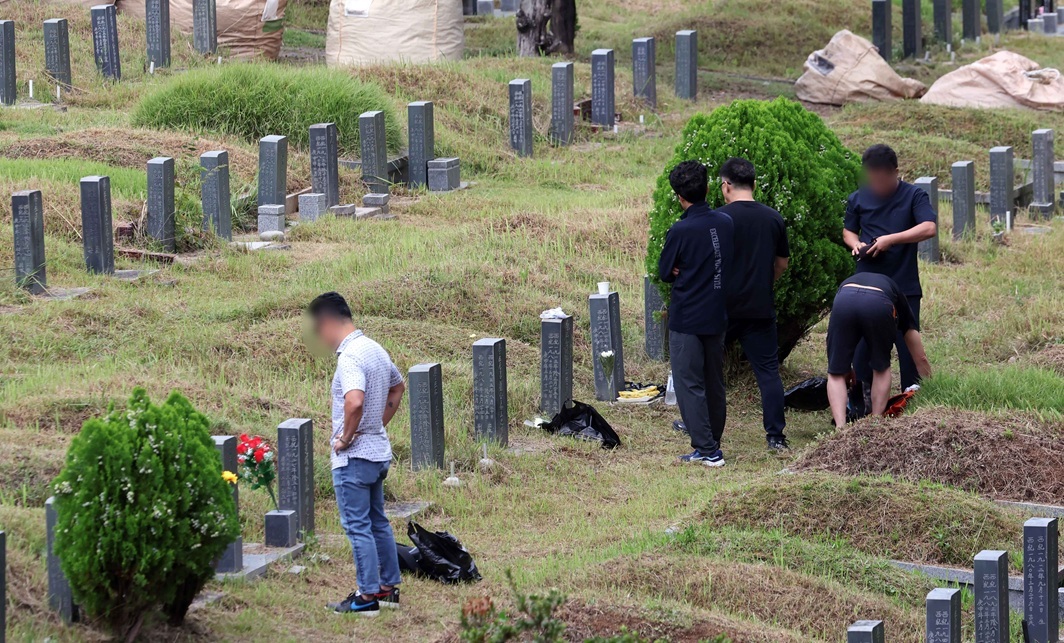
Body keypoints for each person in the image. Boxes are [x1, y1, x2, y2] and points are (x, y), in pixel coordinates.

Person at [309, 292, 406, 616]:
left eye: (318, 328)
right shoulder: (373, 348)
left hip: (355, 458)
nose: (320, 337)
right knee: (378, 521)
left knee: (357, 526)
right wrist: (377, 426)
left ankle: (366, 598)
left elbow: (354, 401)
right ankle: (387, 588)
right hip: (378, 453)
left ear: (328, 322)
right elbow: (398, 386)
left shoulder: (349, 356)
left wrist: (347, 438)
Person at [844, 144, 937, 413]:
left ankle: (912, 406)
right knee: (862, 351)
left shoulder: (913, 196)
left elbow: (928, 227)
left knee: (908, 351)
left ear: (896, 173)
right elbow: (848, 231)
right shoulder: (858, 198)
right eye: (871, 180)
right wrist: (856, 243)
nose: (877, 187)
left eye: (882, 181)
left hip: (903, 286)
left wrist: (890, 240)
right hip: (866, 288)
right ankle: (861, 408)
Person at [658, 160, 734, 467]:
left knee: (689, 382)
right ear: (707, 189)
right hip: (717, 312)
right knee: (713, 379)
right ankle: (712, 439)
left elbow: (665, 271)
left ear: (679, 196)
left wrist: (681, 266)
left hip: (688, 315)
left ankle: (707, 449)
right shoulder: (726, 222)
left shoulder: (681, 229)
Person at [718, 157, 791, 450]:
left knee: (707, 369)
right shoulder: (773, 218)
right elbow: (782, 263)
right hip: (760, 305)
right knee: (768, 373)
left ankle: (699, 424)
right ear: (754, 184)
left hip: (722, 307)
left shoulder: (720, 218)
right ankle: (775, 436)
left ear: (726, 186)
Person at [825, 273, 931, 428]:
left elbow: (835, 353)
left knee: (835, 373)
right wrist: (930, 384)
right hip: (878, 303)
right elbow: (920, 357)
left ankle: (840, 430)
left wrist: (843, 368)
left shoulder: (850, 282)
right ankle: (874, 425)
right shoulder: (900, 299)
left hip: (844, 300)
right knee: (881, 368)